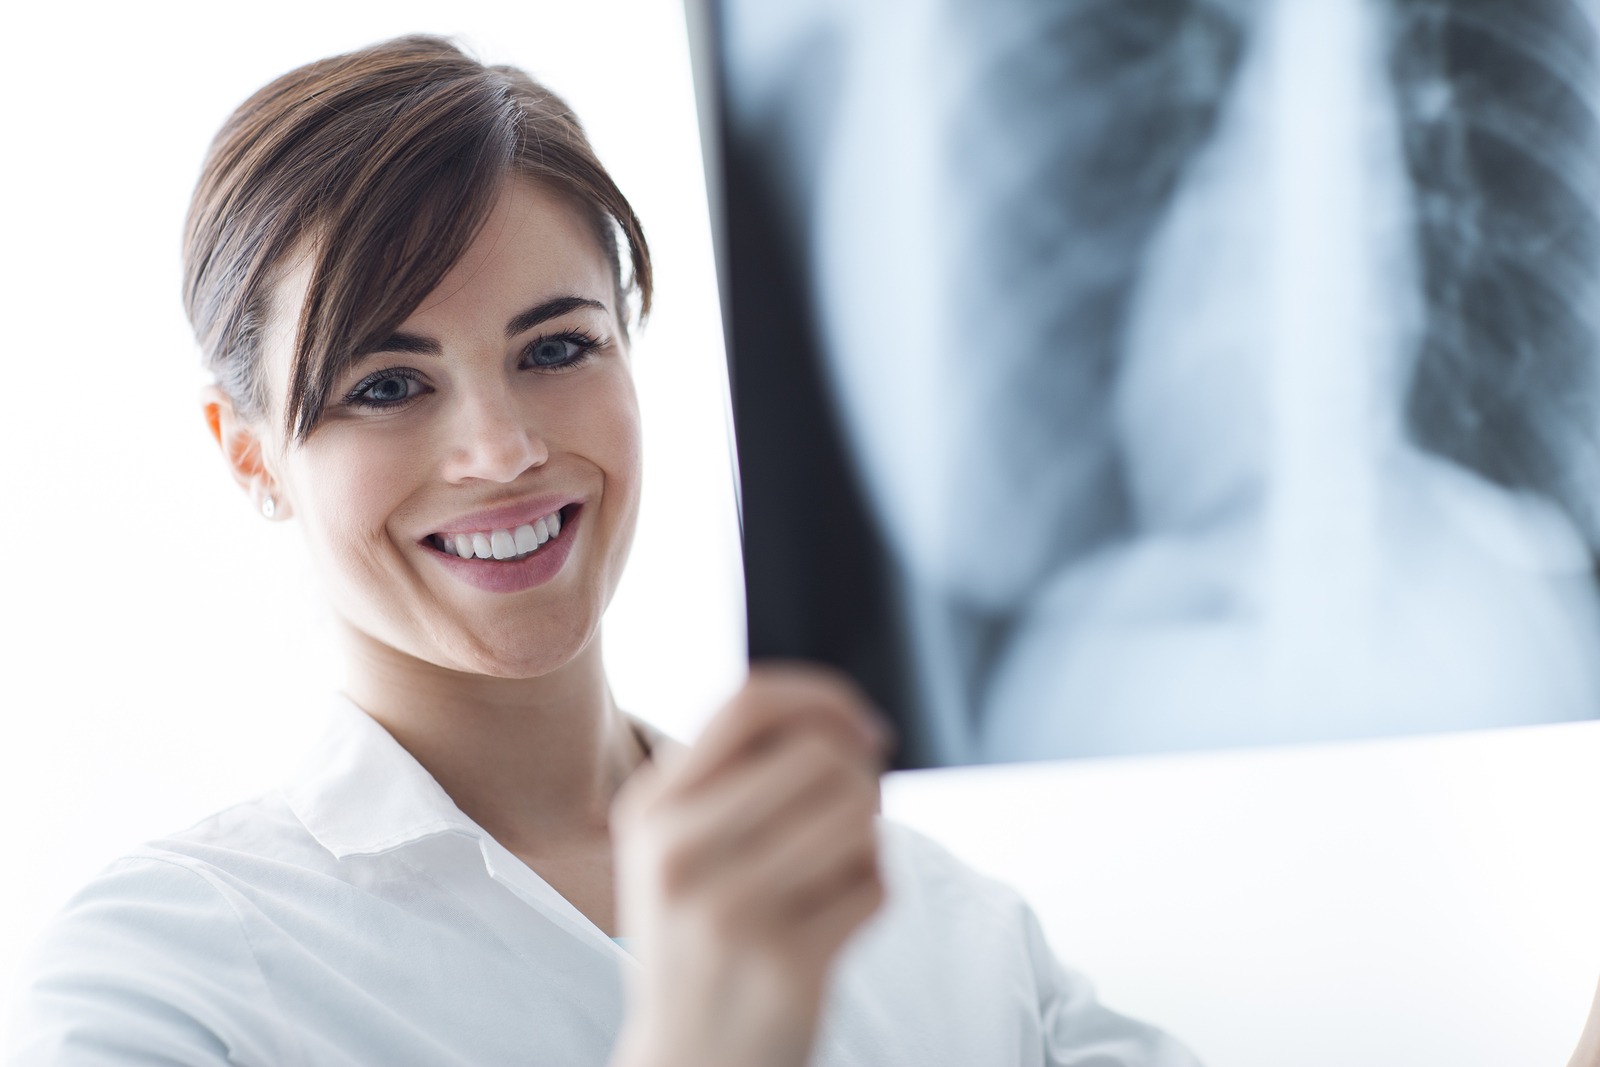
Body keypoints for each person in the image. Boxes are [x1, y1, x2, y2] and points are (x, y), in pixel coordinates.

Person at [6, 35, 1198, 1067]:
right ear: (250, 453)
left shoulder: (934, 913)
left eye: (557, 348)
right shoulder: (161, 977)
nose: (502, 447)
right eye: (386, 384)